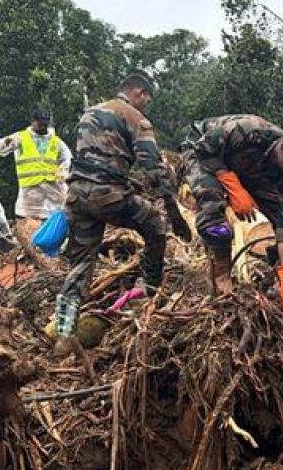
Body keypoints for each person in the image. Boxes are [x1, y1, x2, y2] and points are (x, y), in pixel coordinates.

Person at [52, 72, 189, 352]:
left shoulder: (90, 113)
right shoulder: (137, 119)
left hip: (77, 196)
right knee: (156, 226)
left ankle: (64, 334)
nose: (145, 107)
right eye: (146, 100)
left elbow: (97, 159)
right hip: (108, 197)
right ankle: (150, 296)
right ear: (139, 93)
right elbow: (153, 168)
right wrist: (174, 213)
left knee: (80, 264)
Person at [182, 115, 283, 301]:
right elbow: (204, 150)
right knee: (213, 206)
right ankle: (221, 277)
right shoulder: (249, 130)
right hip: (202, 151)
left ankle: (280, 282)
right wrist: (233, 186)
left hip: (249, 168)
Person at [0, 109, 72, 222]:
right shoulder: (21, 137)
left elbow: (67, 158)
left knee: (56, 217)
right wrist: (7, 142)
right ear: (32, 122)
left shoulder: (55, 141)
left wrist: (62, 170)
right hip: (30, 189)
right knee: (30, 221)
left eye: (45, 124)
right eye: (40, 124)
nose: (42, 127)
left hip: (52, 188)